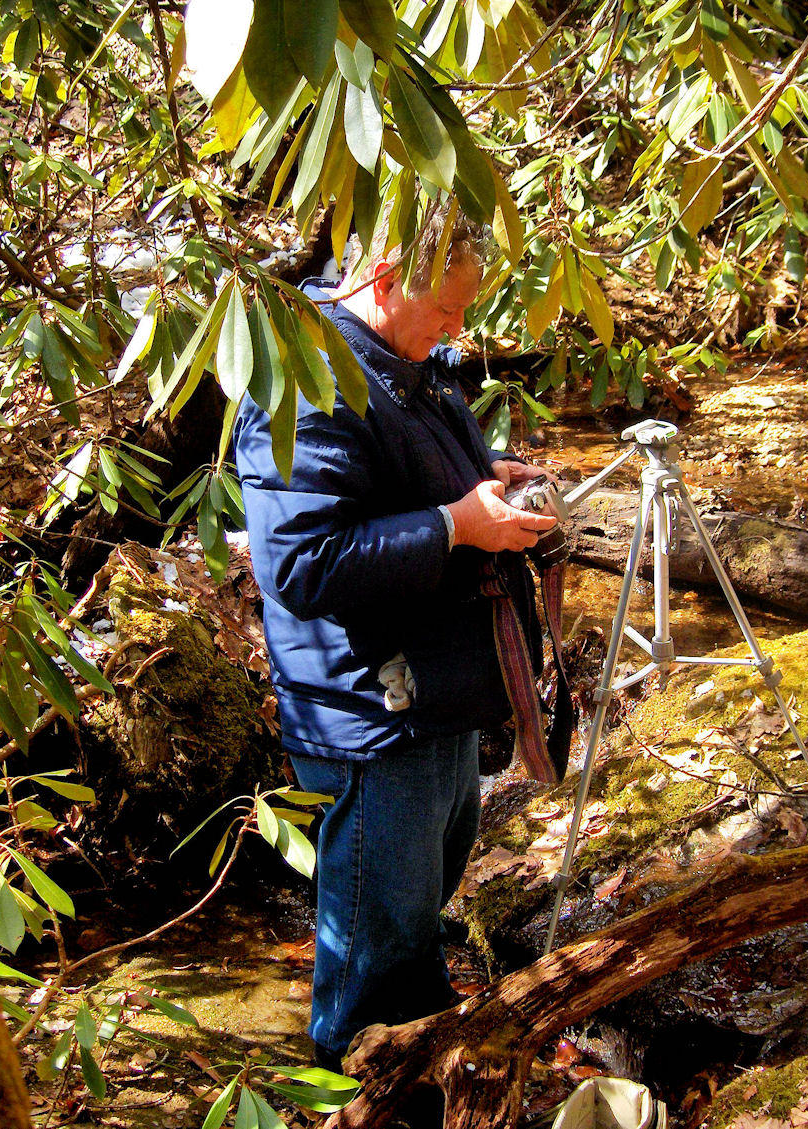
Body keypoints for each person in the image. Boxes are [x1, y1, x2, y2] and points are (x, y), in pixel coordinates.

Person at [232, 209, 556, 1070]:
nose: (458, 330)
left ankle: (418, 1050)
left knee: (420, 902)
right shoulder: (305, 383)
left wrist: (482, 481)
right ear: (382, 282)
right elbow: (300, 564)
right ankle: (352, 1079)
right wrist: (456, 524)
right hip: (369, 709)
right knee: (378, 938)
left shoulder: (401, 361)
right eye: (447, 311)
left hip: (433, 691)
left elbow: (400, 474)